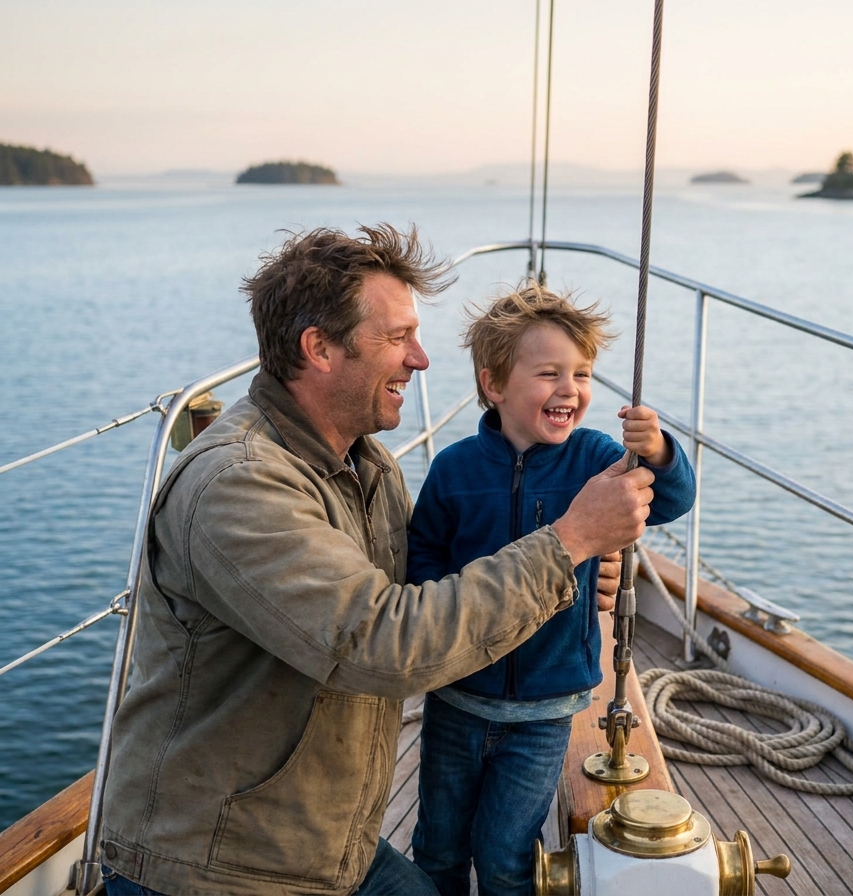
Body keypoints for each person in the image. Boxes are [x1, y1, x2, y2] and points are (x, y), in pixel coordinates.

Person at [98, 225, 656, 896]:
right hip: (219, 865)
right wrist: (565, 542)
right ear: (320, 348)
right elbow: (385, 643)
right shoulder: (238, 485)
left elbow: (430, 590)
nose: (420, 360)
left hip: (321, 840)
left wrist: (577, 567)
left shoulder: (365, 464)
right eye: (397, 338)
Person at [406, 283, 696, 895]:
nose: (570, 389)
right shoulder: (453, 470)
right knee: (438, 846)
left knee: (508, 855)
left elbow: (668, 501)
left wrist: (661, 452)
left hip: (545, 710)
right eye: (549, 374)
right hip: (457, 698)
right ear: (494, 385)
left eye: (583, 373)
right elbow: (424, 554)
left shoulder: (596, 457)